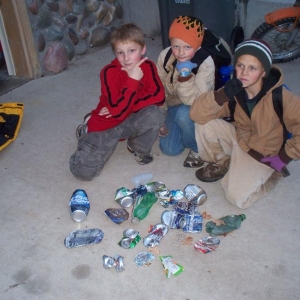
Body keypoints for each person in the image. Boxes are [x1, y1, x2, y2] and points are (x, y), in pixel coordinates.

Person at [190, 39, 300, 208]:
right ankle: (225, 163)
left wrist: (283, 158)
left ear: (264, 71)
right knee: (204, 124)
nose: (243, 73)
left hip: (263, 154)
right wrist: (221, 96)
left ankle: (272, 176)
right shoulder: (234, 90)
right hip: (240, 140)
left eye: (252, 68)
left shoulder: (281, 97)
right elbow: (196, 114)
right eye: (240, 65)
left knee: (237, 199)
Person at [69, 23, 165, 181]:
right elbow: (117, 113)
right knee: (83, 172)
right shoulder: (108, 72)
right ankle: (86, 127)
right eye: (120, 52)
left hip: (127, 115)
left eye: (132, 51)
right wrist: (133, 80)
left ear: (143, 49)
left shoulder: (148, 66)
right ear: (115, 53)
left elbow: (159, 96)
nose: (126, 58)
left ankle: (138, 146)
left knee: (156, 113)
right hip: (107, 123)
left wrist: (128, 107)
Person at [156, 15, 215, 168]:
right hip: (174, 103)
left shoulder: (205, 63)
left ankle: (197, 147)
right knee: (169, 149)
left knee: (184, 115)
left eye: (187, 47)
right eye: (176, 46)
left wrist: (185, 76)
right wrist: (161, 117)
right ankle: (186, 130)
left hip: (196, 106)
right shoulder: (165, 56)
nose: (181, 52)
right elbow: (159, 88)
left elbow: (195, 101)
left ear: (197, 46)